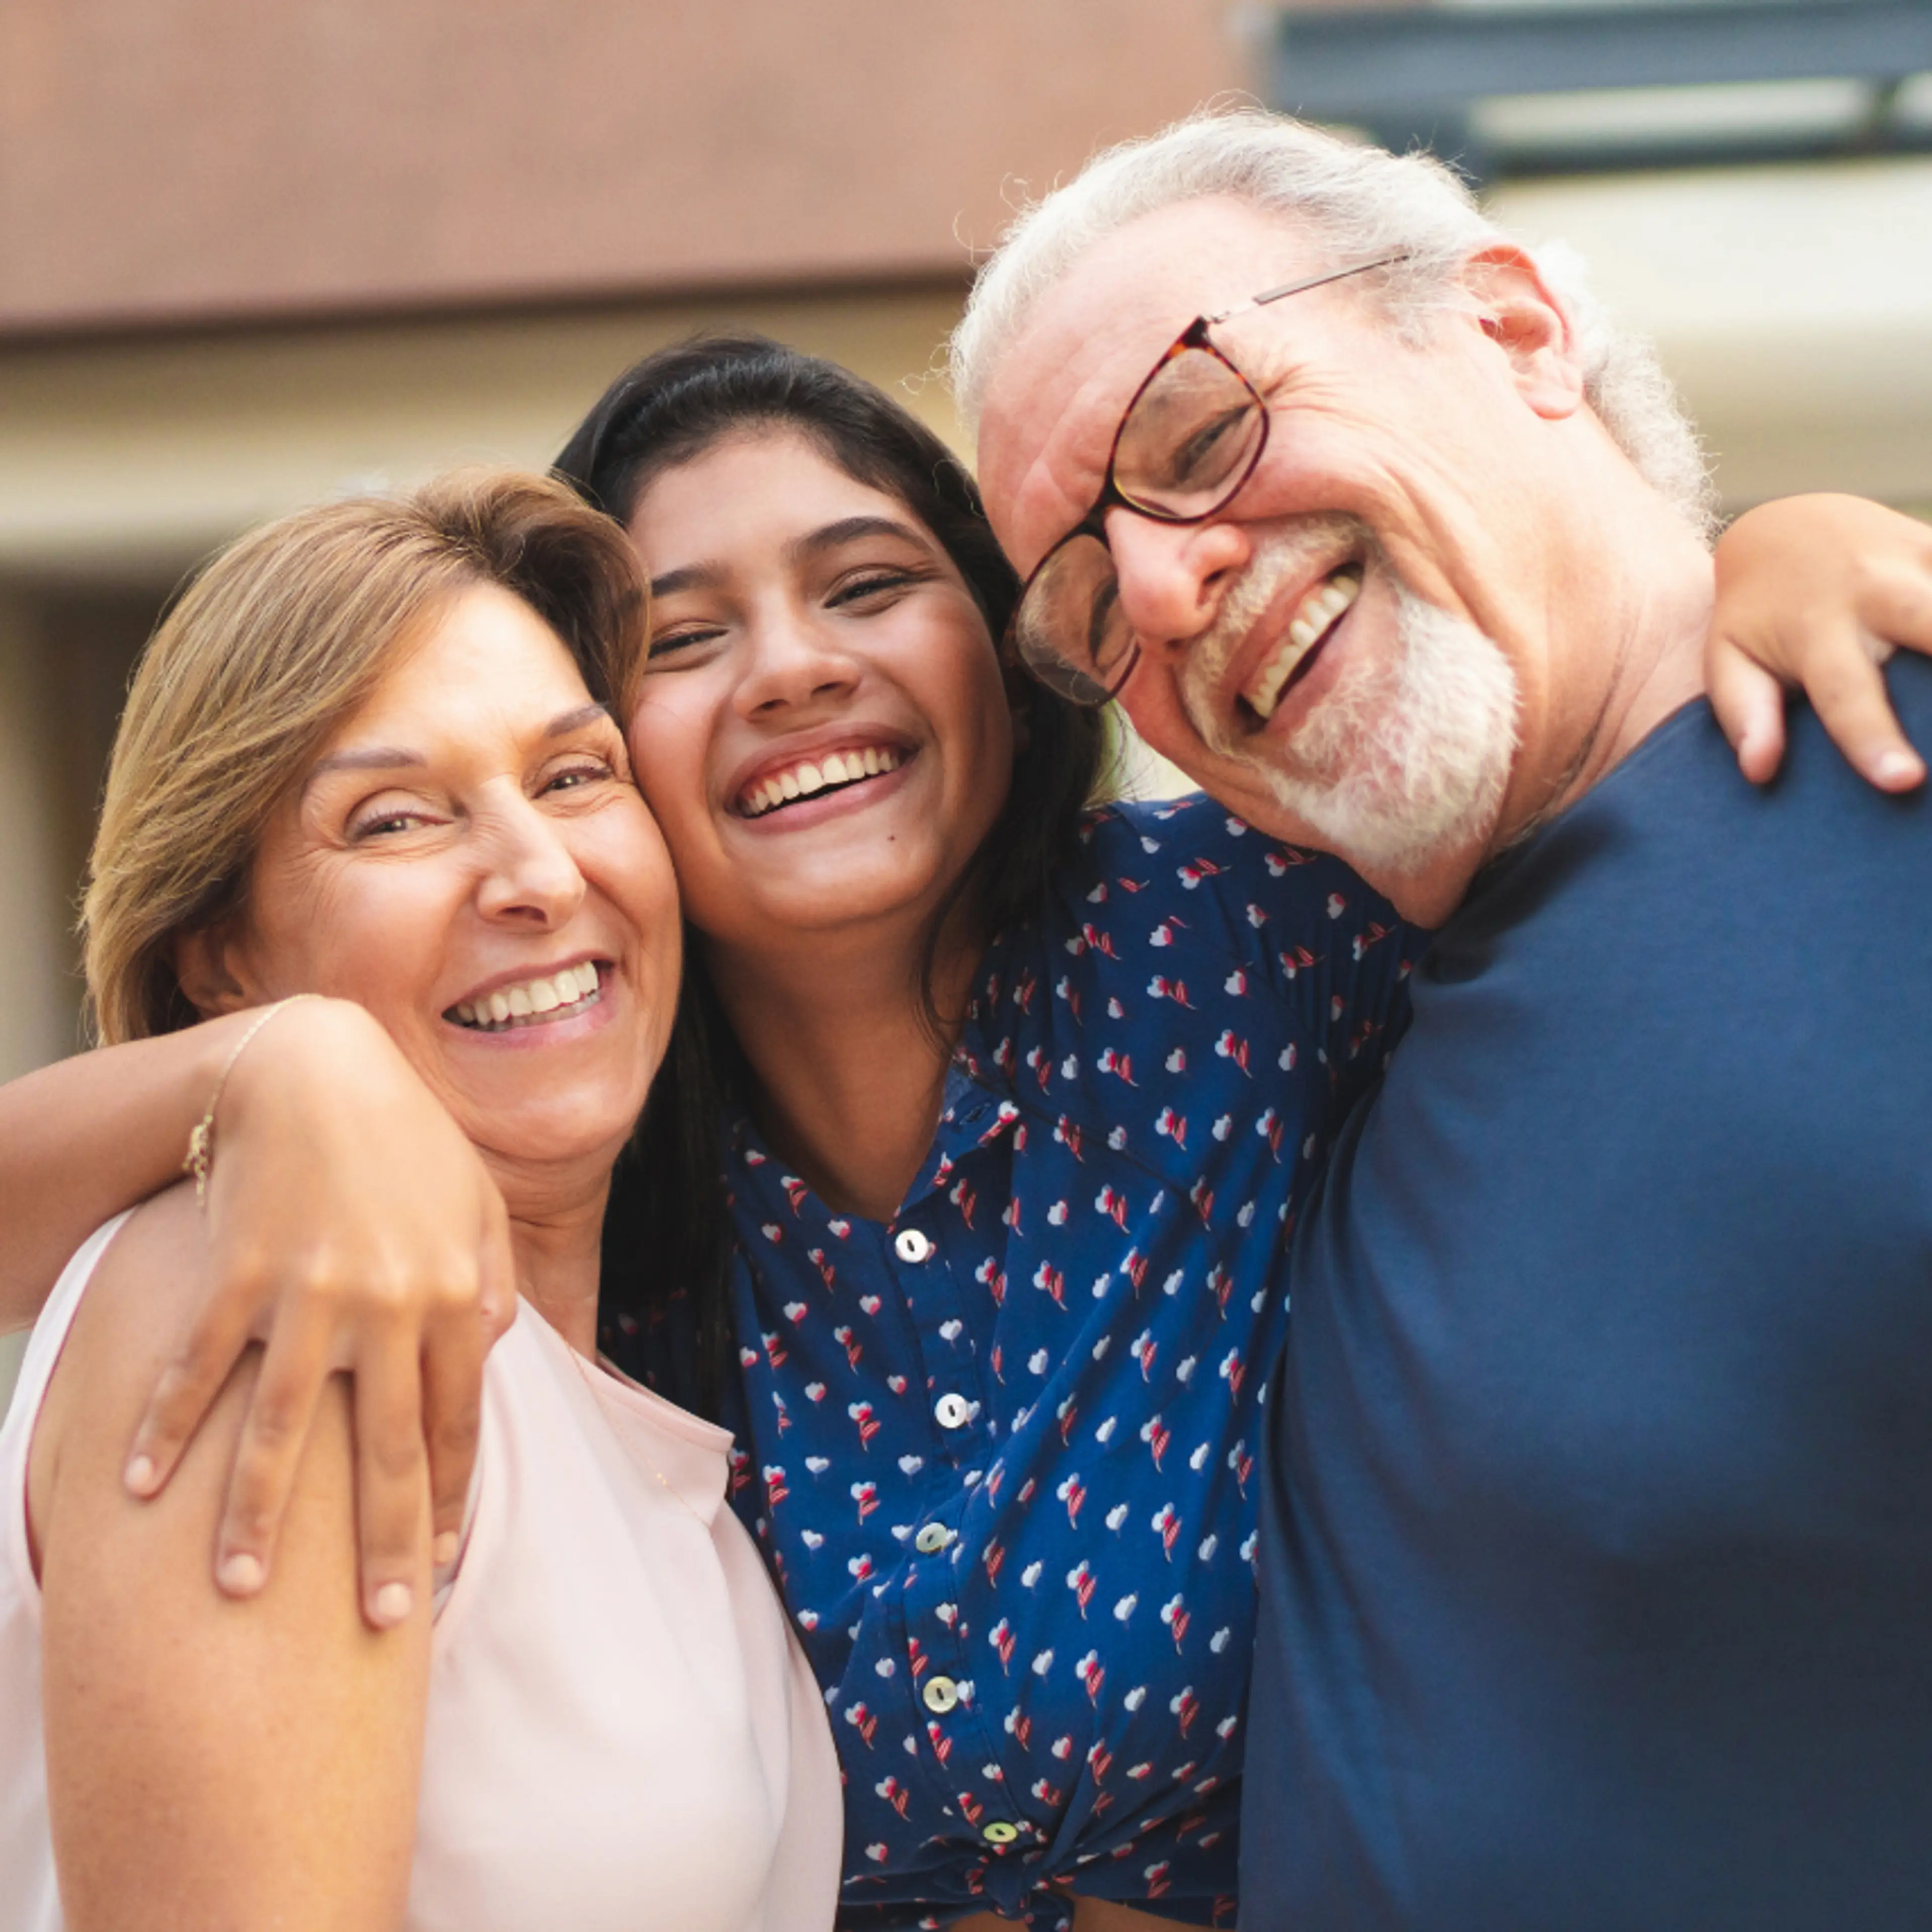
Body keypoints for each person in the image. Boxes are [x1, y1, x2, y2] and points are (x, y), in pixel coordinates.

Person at [3, 336, 1930, 1932]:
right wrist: (256, 1072)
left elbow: (1554, 755)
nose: (794, 669)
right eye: (680, 641)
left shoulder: (1254, 925)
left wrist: (1759, 555)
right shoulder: (526, 1190)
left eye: (867, 584)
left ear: (1011, 655)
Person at [955, 109, 1932, 1929]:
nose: (1166, 589)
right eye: (1089, 607)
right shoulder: (1264, 1029)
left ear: (1514, 331)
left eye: (1206, 431)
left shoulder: (1896, 757)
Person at [0, 471, 840, 1932]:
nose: (535, 872)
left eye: (576, 777)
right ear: (222, 963)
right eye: (394, 821)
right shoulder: (273, 1282)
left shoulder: (629, 1408)